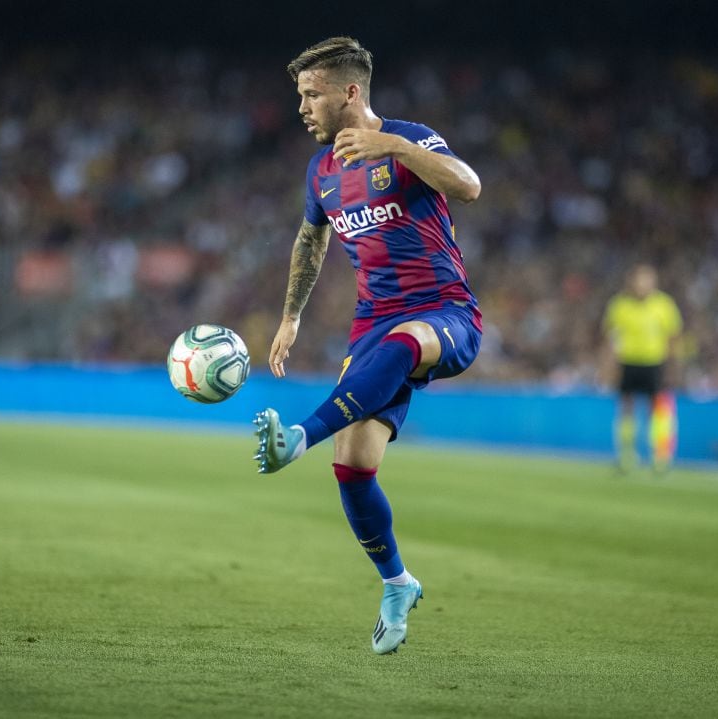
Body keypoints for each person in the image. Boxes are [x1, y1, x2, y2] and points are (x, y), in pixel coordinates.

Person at [252, 37, 482, 654]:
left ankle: (297, 436)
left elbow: (468, 186)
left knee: (407, 342)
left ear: (350, 92)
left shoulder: (409, 138)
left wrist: (395, 147)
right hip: (373, 326)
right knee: (353, 470)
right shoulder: (321, 170)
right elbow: (310, 240)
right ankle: (397, 583)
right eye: (300, 95)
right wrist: (291, 317)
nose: (302, 107)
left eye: (312, 94)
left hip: (444, 312)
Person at [602, 264, 683, 473]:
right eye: (639, 280)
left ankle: (660, 455)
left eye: (646, 280)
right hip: (628, 362)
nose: (642, 285)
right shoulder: (619, 305)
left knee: (658, 408)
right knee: (626, 407)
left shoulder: (664, 305)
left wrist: (673, 366)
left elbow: (673, 337)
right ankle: (626, 454)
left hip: (655, 362)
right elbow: (611, 338)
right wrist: (608, 366)